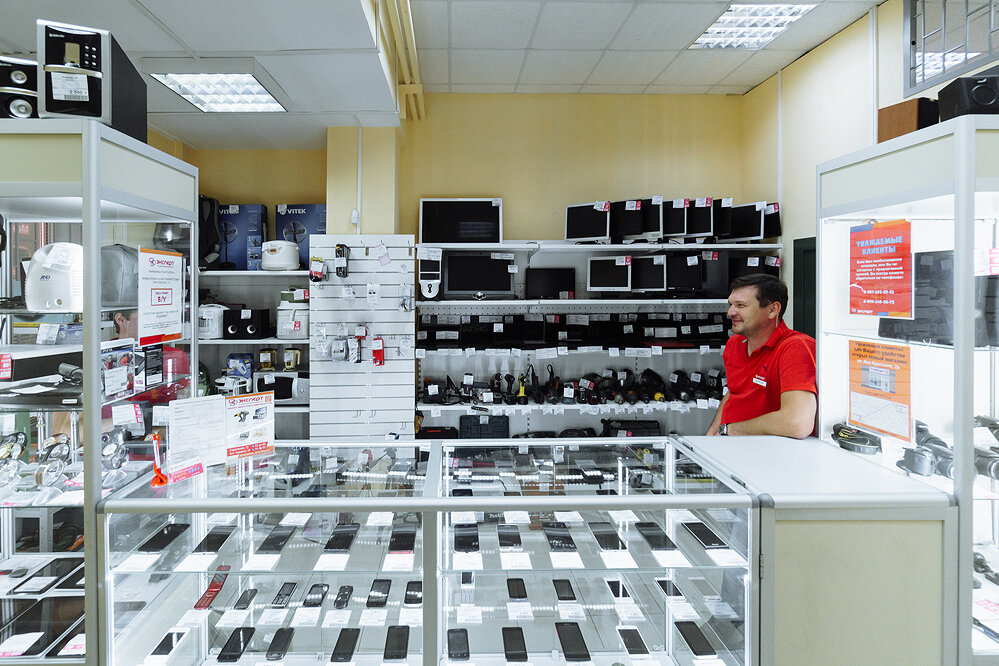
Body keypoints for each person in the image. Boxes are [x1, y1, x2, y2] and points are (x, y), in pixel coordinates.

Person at [707, 273, 816, 438]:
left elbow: (797, 423)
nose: (730, 312)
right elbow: (734, 392)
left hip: (768, 451)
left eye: (740, 305)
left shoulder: (795, 347)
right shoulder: (735, 343)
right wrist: (713, 433)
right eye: (731, 304)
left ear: (773, 310)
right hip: (730, 444)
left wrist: (730, 430)